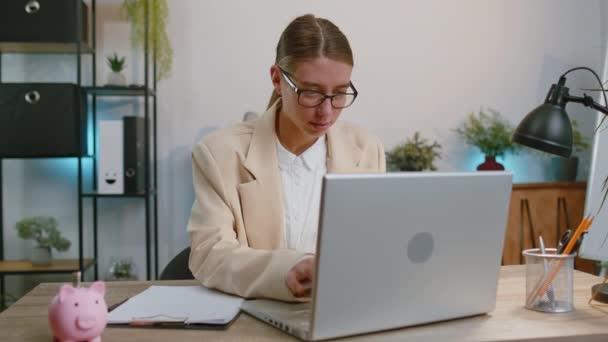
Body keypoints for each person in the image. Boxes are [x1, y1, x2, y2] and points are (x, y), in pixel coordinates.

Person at [187, 14, 385, 302]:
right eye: (311, 93)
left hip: (343, 310)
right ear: (278, 80)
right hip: (256, 319)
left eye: (340, 94)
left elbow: (376, 245)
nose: (326, 112)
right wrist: (287, 271)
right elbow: (209, 255)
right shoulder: (219, 154)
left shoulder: (367, 149)